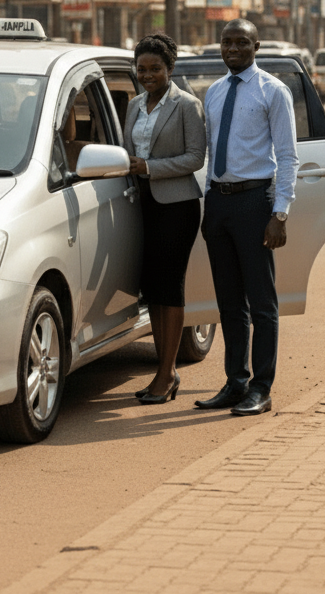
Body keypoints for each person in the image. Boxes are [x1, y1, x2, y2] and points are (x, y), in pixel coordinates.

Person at [197, 19, 299, 417]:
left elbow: (288, 156)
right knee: (228, 303)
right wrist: (209, 198)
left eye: (242, 42)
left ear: (257, 46)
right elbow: (211, 153)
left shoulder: (273, 91)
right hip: (220, 204)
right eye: (227, 42)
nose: (233, 49)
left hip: (255, 203)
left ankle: (261, 386)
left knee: (261, 303)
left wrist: (280, 213)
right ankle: (235, 382)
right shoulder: (215, 92)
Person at [123, 33, 206, 405]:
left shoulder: (187, 105)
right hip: (142, 205)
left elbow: (195, 159)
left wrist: (149, 167)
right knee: (152, 288)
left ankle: (166, 373)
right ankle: (163, 370)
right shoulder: (133, 106)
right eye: (141, 68)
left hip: (177, 206)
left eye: (155, 68)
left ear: (169, 68)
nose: (147, 75)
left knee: (170, 287)